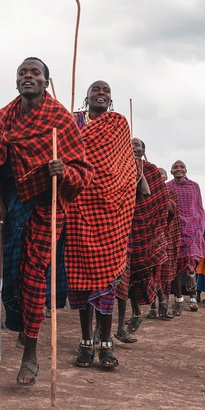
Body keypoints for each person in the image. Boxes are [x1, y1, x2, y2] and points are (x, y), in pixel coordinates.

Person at [0, 57, 91, 385]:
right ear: (16, 81)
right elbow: (0, 167)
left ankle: (30, 354)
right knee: (10, 275)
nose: (28, 77)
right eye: (22, 73)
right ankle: (22, 326)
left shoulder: (61, 118)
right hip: (13, 205)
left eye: (35, 73)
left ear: (46, 81)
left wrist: (64, 170)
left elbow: (82, 172)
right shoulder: (2, 117)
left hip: (46, 205)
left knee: (34, 276)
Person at [64, 80, 137, 369]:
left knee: (106, 281)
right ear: (87, 96)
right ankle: (85, 341)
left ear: (111, 99)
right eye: (96, 90)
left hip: (111, 213)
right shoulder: (73, 121)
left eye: (106, 91)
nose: (101, 94)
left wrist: (120, 198)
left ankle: (106, 344)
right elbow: (66, 156)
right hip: (80, 208)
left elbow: (125, 169)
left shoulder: (118, 123)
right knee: (82, 282)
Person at [115, 138, 168, 343]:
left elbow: (152, 197)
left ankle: (136, 313)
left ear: (144, 151)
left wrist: (138, 169)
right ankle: (120, 326)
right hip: (121, 229)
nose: (133, 147)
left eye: (137, 145)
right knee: (122, 280)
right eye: (129, 145)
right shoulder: (117, 166)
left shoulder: (152, 171)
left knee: (135, 279)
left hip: (143, 232)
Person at [165, 160, 205, 315]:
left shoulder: (194, 186)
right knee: (175, 266)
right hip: (174, 228)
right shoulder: (167, 187)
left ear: (186, 170)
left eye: (181, 167)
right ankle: (179, 300)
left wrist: (200, 226)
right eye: (175, 167)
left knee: (192, 260)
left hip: (193, 227)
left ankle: (193, 297)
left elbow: (199, 207)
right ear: (171, 171)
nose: (178, 169)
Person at [151, 167, 180, 320]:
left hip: (167, 238)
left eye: (161, 174)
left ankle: (164, 306)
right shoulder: (147, 191)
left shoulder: (171, 193)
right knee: (150, 274)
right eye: (156, 174)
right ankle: (153, 308)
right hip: (150, 238)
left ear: (166, 177)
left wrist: (160, 195)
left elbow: (171, 210)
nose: (159, 176)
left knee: (166, 276)